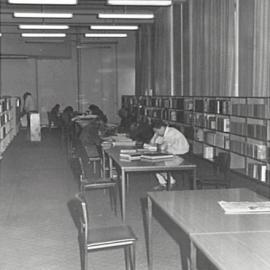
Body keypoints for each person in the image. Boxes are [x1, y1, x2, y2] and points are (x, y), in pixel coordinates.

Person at [150, 120, 189, 190]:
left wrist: (157, 143)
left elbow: (162, 148)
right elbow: (151, 145)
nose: (156, 133)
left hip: (181, 155)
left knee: (158, 165)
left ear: (162, 128)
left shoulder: (171, 133)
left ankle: (171, 182)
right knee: (153, 163)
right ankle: (163, 183)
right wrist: (155, 136)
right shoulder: (162, 133)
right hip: (171, 154)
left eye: (157, 131)